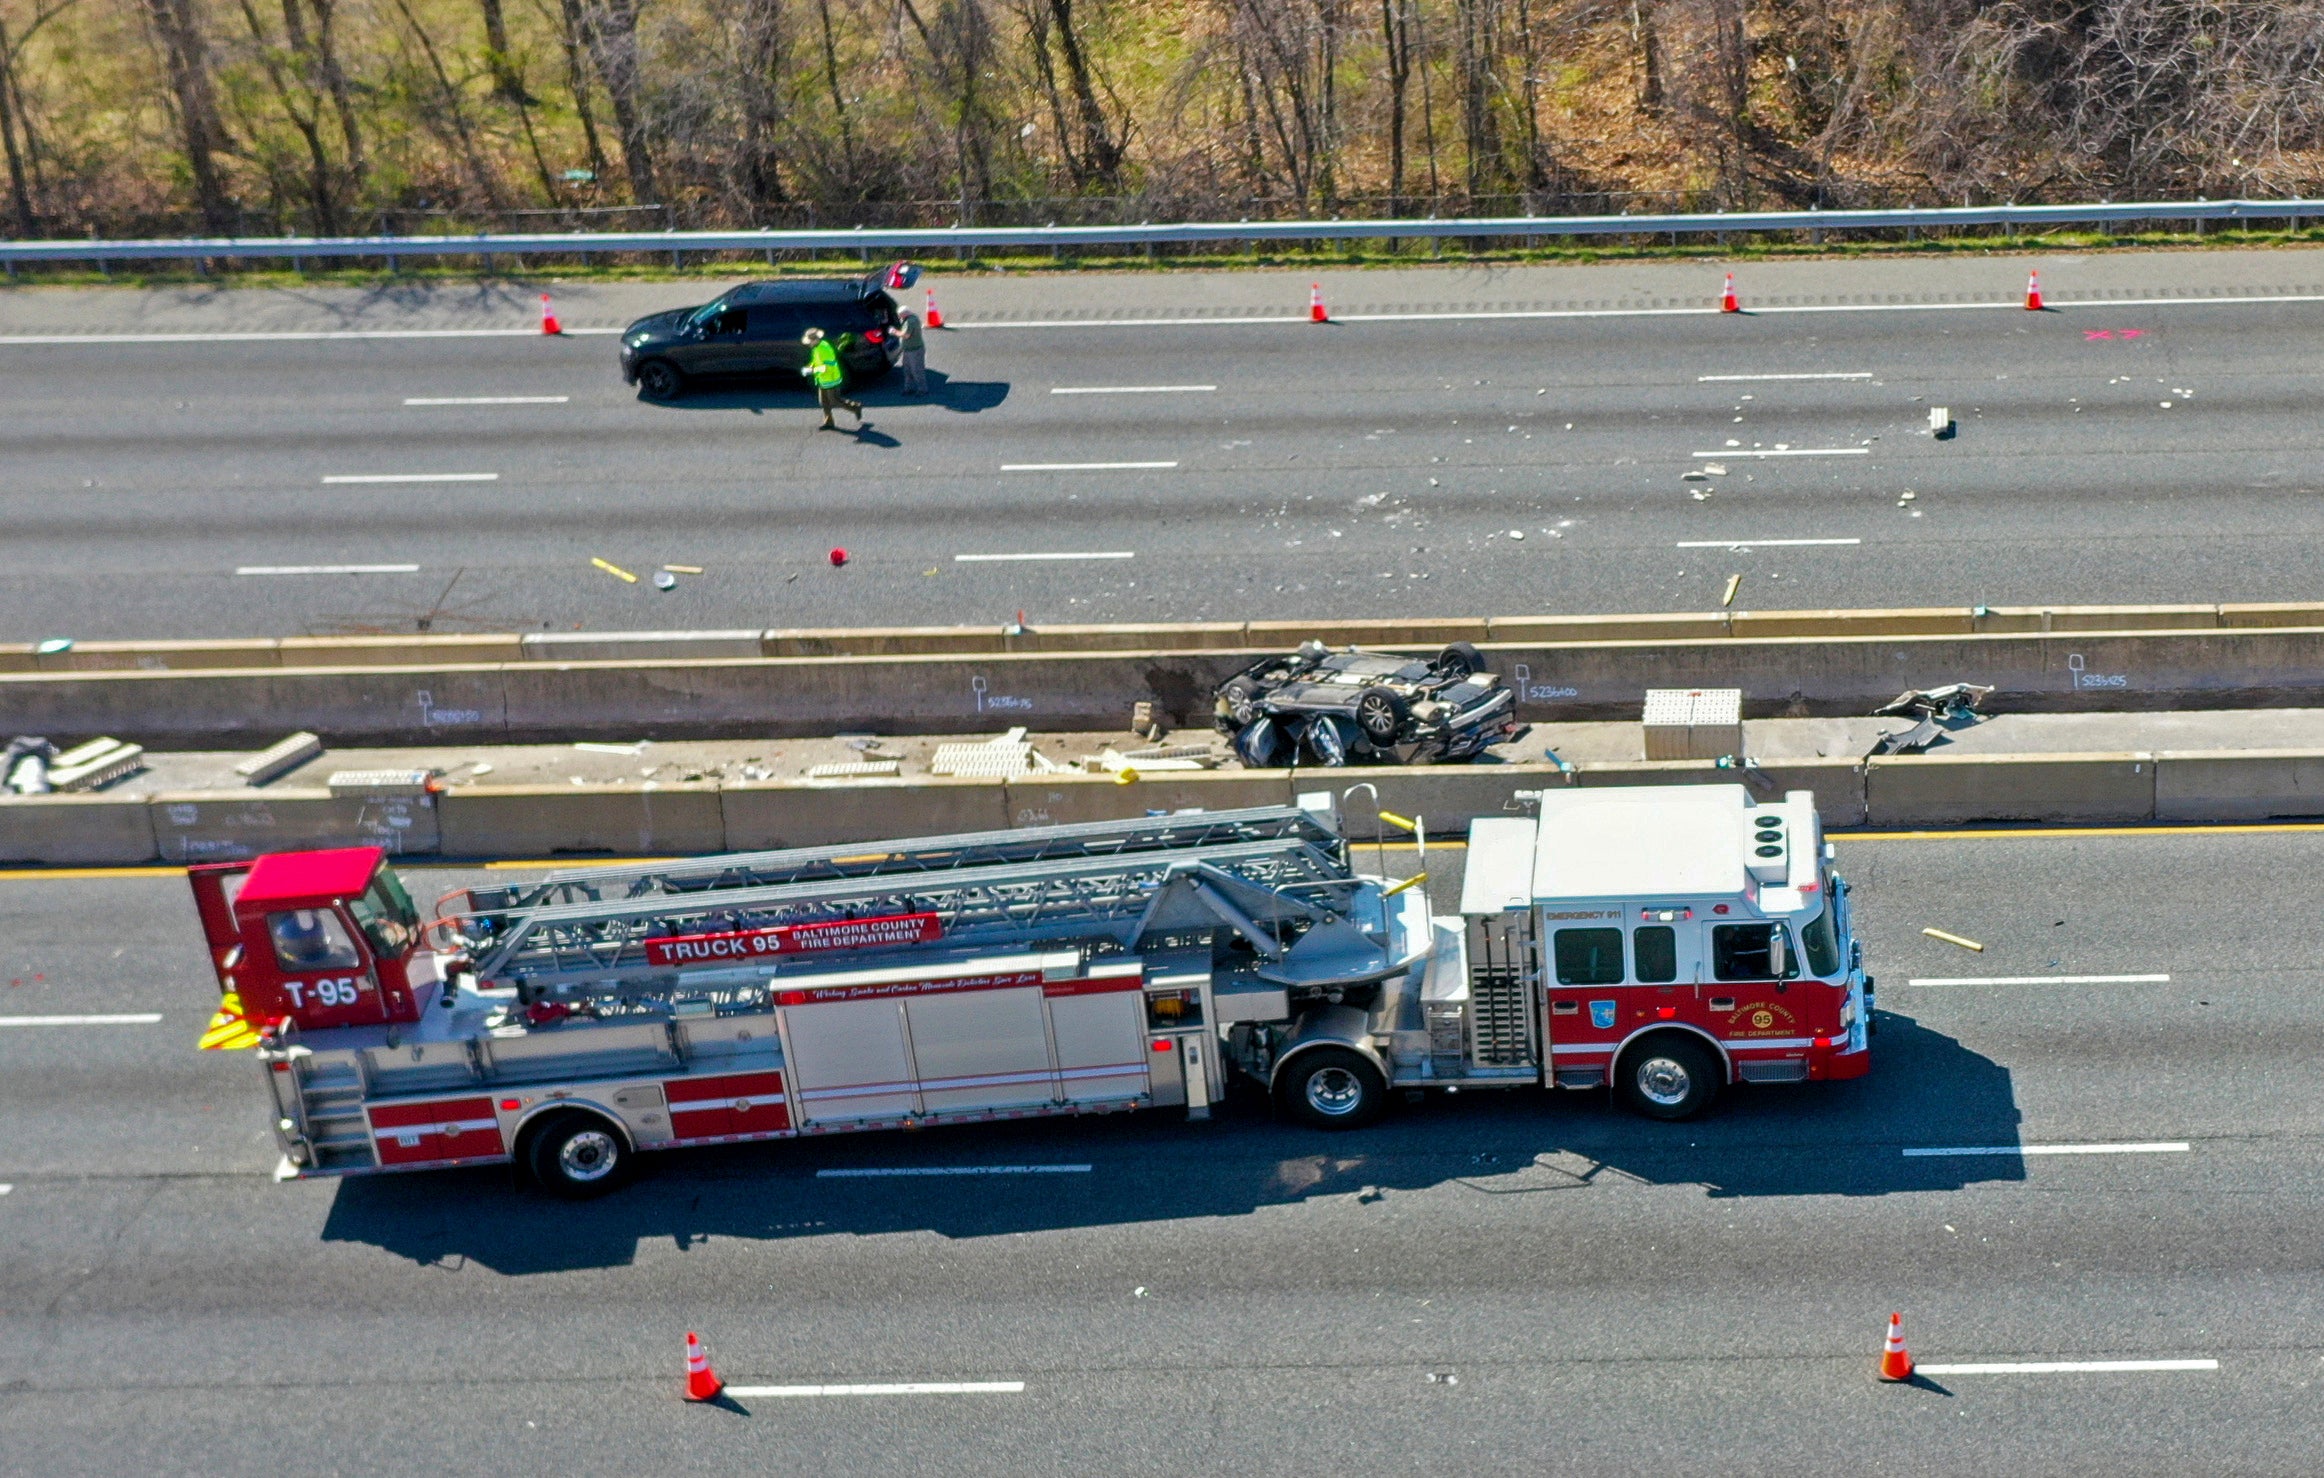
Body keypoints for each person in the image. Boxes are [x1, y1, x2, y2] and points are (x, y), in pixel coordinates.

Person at [801, 327, 862, 430]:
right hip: (823, 379)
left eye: (810, 341)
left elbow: (826, 367)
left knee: (835, 401)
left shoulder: (824, 349)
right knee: (823, 401)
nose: (808, 343)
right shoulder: (816, 348)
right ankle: (829, 422)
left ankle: (855, 407)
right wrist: (810, 366)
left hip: (831, 379)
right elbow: (817, 362)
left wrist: (811, 371)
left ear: (815, 340)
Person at [897, 309, 928, 394]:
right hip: (908, 350)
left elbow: (906, 335)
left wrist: (895, 332)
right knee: (907, 370)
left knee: (917, 370)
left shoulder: (910, 322)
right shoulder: (910, 318)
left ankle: (922, 389)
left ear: (904, 315)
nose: (899, 317)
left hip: (914, 351)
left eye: (900, 315)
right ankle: (908, 388)